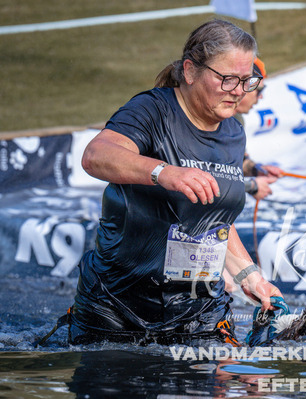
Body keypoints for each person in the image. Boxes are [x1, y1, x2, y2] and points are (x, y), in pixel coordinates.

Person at [69, 19, 282, 345]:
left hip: (200, 309)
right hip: (117, 307)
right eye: (227, 79)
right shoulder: (153, 109)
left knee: (230, 374)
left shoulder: (233, 132)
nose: (238, 91)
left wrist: (249, 276)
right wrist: (164, 172)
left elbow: (214, 220)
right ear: (191, 71)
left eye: (246, 81)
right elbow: (96, 155)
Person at [235, 58, 283, 201]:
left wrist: (257, 170)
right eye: (259, 89)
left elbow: (237, 163)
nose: (261, 96)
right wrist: (252, 186)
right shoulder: (208, 119)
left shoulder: (236, 120)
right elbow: (207, 177)